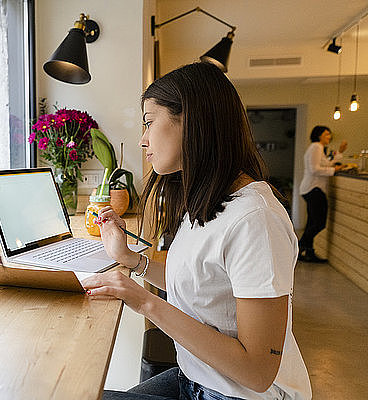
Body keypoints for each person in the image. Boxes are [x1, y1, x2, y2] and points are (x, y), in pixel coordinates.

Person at [82, 62, 311, 400]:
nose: (143, 140)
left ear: (192, 122)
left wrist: (144, 302)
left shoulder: (254, 219)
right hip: (197, 376)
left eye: (148, 122)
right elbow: (201, 283)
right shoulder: (209, 199)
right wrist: (129, 258)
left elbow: (258, 371)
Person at [298, 126, 347, 263]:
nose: (329, 137)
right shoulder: (316, 147)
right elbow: (315, 169)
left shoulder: (318, 148)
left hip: (311, 189)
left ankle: (308, 252)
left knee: (312, 223)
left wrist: (340, 154)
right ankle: (298, 247)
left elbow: (326, 163)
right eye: (326, 134)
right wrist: (333, 169)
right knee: (319, 223)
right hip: (314, 189)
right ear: (319, 135)